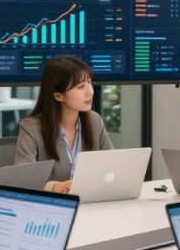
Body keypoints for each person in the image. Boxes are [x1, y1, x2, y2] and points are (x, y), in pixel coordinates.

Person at [15, 55, 113, 193]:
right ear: (58, 96)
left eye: (89, 83)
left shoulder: (94, 120)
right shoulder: (31, 127)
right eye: (81, 87)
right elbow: (23, 179)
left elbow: (112, 165)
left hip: (89, 201)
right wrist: (54, 187)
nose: (90, 91)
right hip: (51, 206)